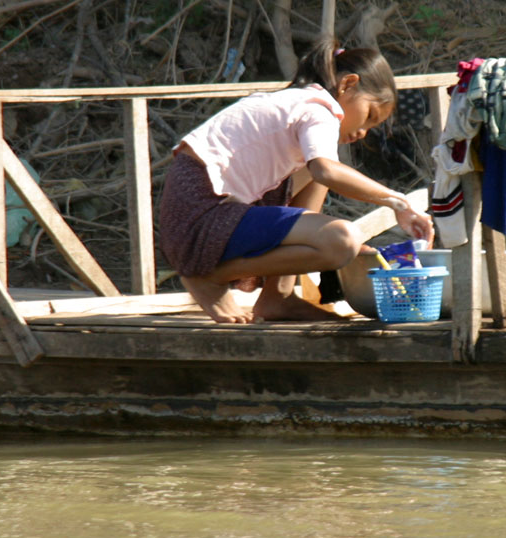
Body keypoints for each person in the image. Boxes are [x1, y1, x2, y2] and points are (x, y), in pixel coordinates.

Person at [158, 37, 434, 323]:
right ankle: (210, 277)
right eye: (369, 116)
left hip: (196, 216)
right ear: (348, 84)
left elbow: (322, 173)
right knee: (342, 240)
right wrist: (398, 202)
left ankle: (278, 297)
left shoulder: (301, 101)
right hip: (201, 219)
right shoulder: (319, 110)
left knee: (318, 172)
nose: (363, 132)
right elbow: (326, 171)